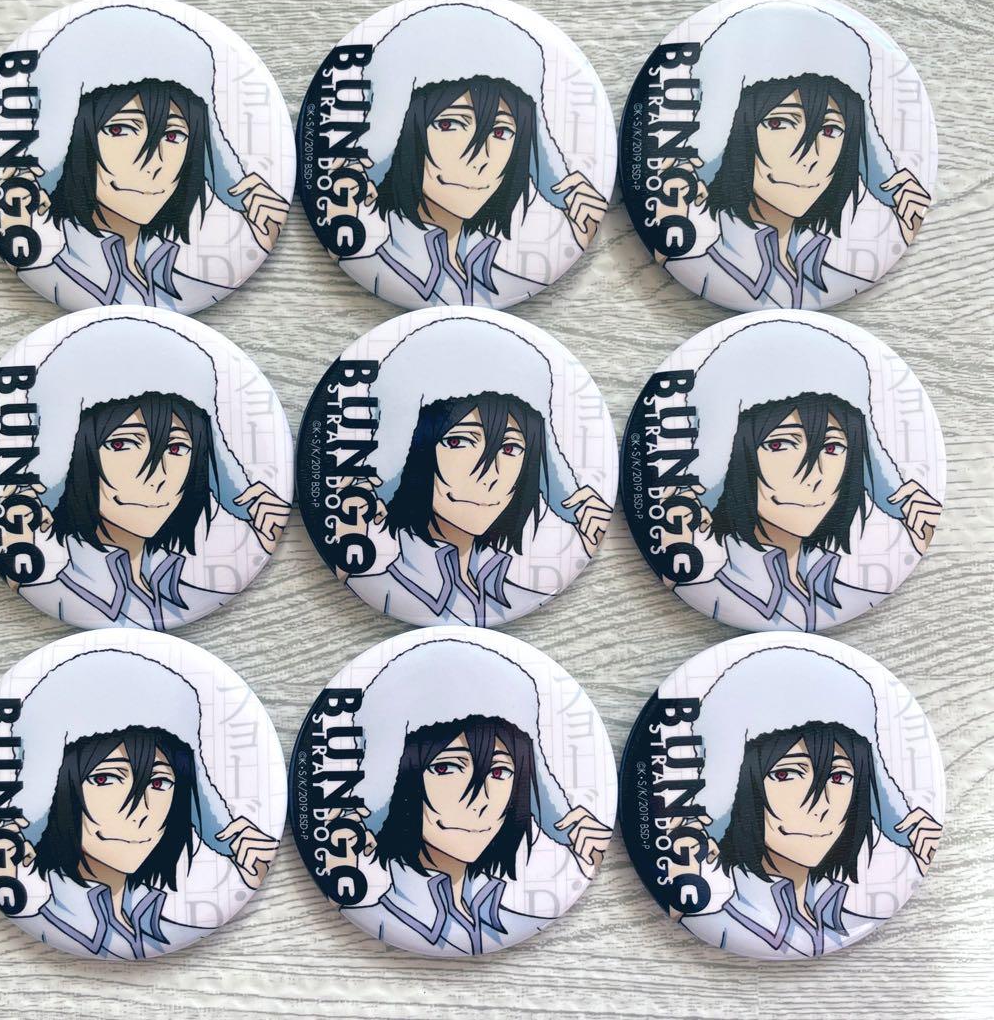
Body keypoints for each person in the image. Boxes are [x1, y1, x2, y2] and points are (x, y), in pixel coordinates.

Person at [0, 649, 279, 960]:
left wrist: (251, 879)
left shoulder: (165, 932)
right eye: (105, 779)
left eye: (159, 783)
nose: (140, 812)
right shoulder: (38, 933)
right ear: (53, 792)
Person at [330, 638, 612, 956]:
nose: (480, 801)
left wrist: (591, 859)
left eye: (499, 772)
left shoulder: (522, 924)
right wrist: (340, 868)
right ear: (395, 780)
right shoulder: (376, 924)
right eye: (446, 768)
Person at [9, 315, 289, 629]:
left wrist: (262, 545)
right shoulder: (49, 596)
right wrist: (17, 556)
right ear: (68, 459)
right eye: (122, 444)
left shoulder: (193, 597)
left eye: (177, 448)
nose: (158, 477)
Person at [4, 4, 288, 311]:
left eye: (173, 135)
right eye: (120, 130)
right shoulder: (51, 283)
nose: (154, 164)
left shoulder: (198, 290)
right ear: (67, 143)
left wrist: (263, 240)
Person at [662, 318, 941, 631]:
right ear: (728, 457)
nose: (814, 476)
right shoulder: (708, 597)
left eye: (833, 447)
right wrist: (675, 556)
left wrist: (919, 544)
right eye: (779, 444)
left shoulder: (855, 598)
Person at [333, 2, 608, 307]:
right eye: (449, 124)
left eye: (501, 132)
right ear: (397, 135)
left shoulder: (515, 285)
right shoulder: (372, 276)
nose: (480, 158)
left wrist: (580, 234)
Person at [661, 0, 931, 310]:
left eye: (830, 129)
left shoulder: (847, 283)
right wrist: (666, 230)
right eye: (779, 123)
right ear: (728, 134)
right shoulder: (699, 275)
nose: (810, 156)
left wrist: (904, 233)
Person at [344, 316, 612, 626]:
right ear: (411, 451)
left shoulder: (518, 596)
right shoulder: (382, 590)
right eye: (458, 442)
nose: (489, 475)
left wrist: (585, 547)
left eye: (510, 448)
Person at [677, 646, 941, 959]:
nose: (820, 805)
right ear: (736, 787)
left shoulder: (855, 926)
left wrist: (920, 865)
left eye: (839, 777)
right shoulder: (714, 927)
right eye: (786, 774)